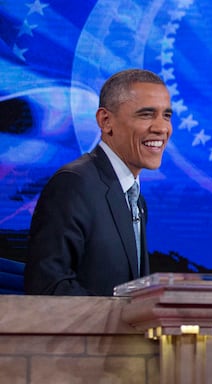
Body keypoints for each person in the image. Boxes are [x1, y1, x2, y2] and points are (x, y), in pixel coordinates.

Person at [24, 68, 172, 295]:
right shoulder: (74, 185)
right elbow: (48, 286)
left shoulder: (136, 199)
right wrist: (119, 321)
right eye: (146, 114)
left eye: (167, 115)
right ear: (105, 121)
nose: (162, 127)